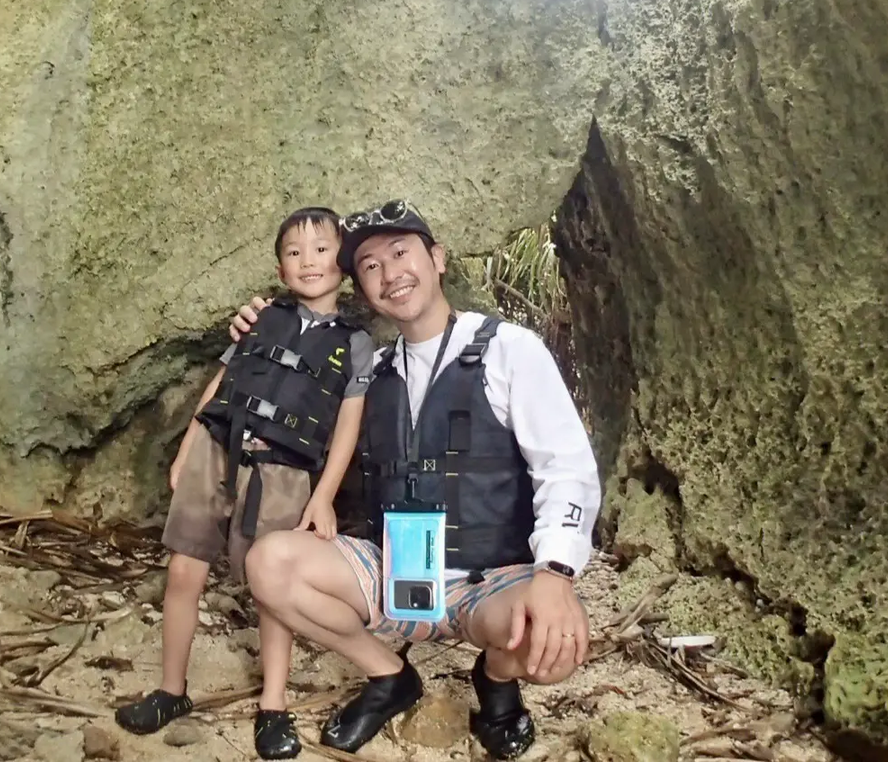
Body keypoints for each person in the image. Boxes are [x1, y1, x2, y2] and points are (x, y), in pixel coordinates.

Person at [226, 200, 601, 760]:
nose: (390, 273)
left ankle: (496, 678)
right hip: (396, 571)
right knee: (269, 564)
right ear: (362, 287)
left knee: (557, 645)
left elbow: (565, 467)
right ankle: (389, 675)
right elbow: (288, 388)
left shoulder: (508, 349)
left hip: (490, 578)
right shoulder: (371, 368)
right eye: (371, 266)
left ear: (437, 258)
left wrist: (556, 572)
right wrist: (258, 332)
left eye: (402, 253)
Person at [115, 207, 375, 759]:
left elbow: (347, 427)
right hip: (217, 449)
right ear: (280, 269)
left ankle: (273, 705)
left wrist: (324, 496)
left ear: (344, 263)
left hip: (286, 471)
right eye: (294, 253)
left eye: (322, 249)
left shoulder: (355, 344)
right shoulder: (261, 318)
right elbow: (223, 382)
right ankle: (171, 690)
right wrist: (187, 447)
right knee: (183, 570)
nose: (308, 261)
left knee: (269, 590)